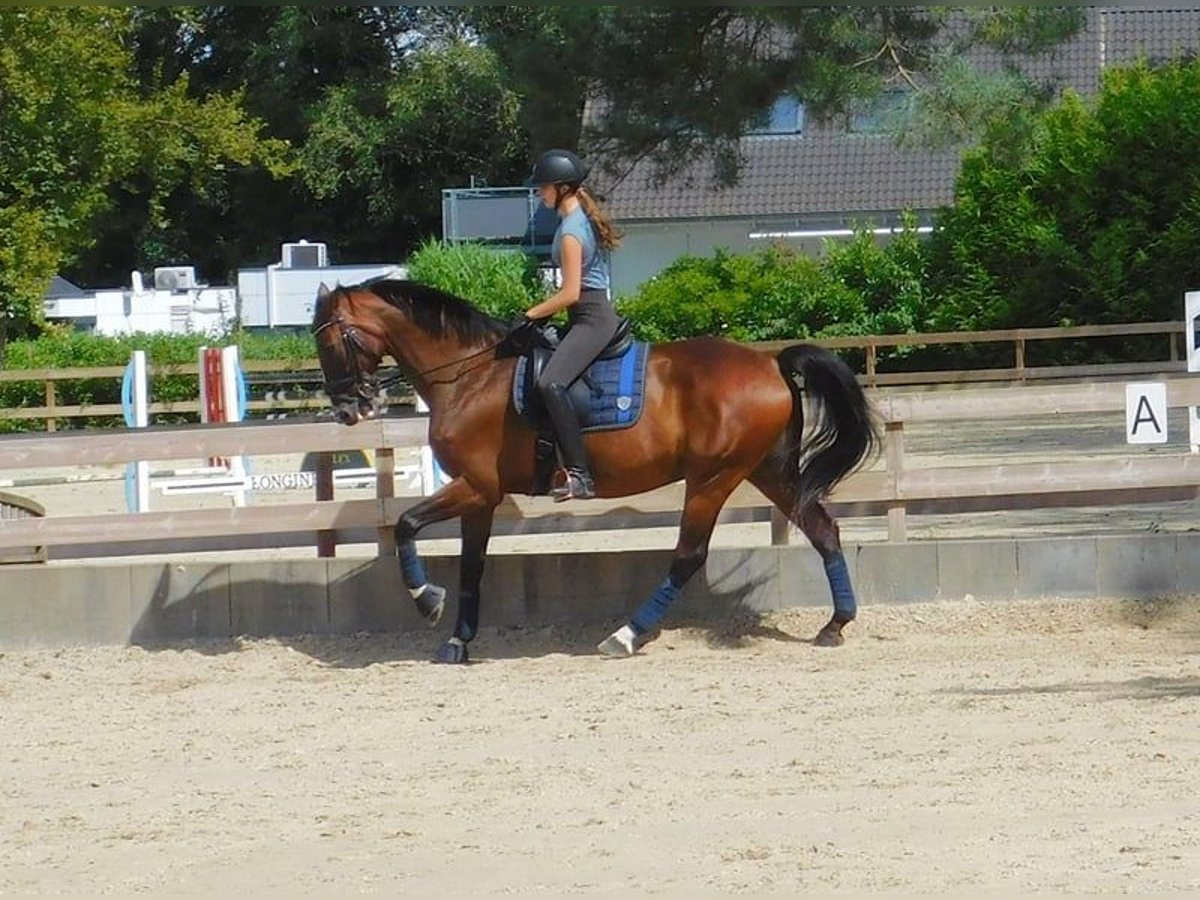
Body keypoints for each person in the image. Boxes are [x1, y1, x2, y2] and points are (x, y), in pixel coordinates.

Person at [519, 148, 622, 501]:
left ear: (561, 189)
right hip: (586, 315)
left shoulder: (571, 232)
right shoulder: (577, 220)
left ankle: (580, 475)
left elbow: (571, 292)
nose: (539, 193)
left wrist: (531, 314)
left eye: (543, 187)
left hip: (592, 318)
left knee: (551, 382)